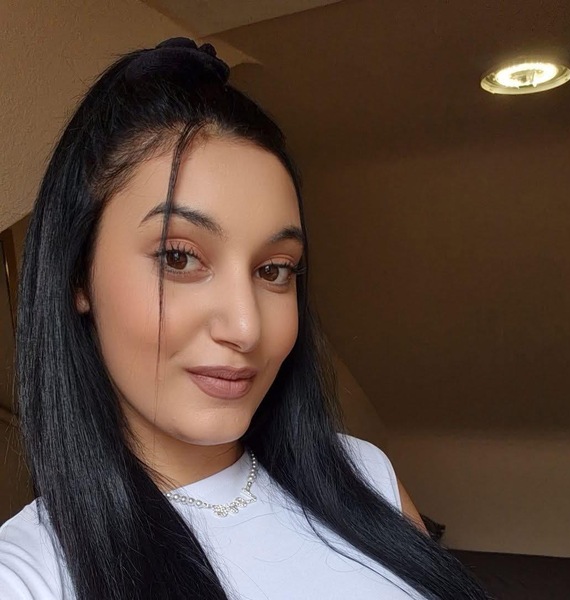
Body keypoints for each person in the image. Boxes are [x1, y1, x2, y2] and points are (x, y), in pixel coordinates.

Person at [0, 38, 488, 599]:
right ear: (77, 276)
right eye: (178, 257)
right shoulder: (31, 573)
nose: (247, 328)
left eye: (275, 270)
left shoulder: (366, 475)